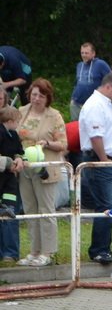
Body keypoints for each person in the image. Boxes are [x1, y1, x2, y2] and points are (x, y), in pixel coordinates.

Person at [16, 78, 66, 267]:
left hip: (45, 167)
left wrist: (47, 143)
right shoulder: (21, 112)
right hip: (25, 168)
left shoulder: (54, 116)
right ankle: (34, 250)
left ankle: (48, 251)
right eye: (34, 94)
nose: (36, 99)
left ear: (47, 98)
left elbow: (63, 144)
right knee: (30, 210)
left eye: (41, 96)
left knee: (46, 210)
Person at [80, 72, 112, 264]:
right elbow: (95, 136)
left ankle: (102, 247)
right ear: (109, 87)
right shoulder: (95, 105)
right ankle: (99, 249)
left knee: (106, 205)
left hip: (108, 162)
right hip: (101, 162)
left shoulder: (105, 104)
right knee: (106, 206)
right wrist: (105, 159)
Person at [0, 106, 23, 262]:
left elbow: (19, 151)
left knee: (10, 211)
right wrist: (7, 162)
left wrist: (20, 158)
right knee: (6, 212)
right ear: (10, 121)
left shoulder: (13, 135)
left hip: (9, 181)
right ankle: (7, 252)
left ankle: (10, 252)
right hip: (3, 177)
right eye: (17, 122)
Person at [71, 43, 110, 120]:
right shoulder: (79, 65)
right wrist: (72, 99)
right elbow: (77, 83)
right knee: (75, 127)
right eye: (82, 53)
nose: (84, 55)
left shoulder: (100, 64)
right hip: (76, 104)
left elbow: (111, 80)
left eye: (86, 53)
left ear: (93, 53)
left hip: (93, 104)